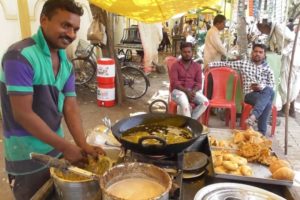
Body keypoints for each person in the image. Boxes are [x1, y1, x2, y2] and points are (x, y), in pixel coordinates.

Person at [0, 0, 105, 199]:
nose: (72, 34)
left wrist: (82, 144)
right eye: (65, 25)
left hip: (55, 149)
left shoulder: (65, 63)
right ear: (44, 20)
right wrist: (66, 147)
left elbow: (70, 106)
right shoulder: (19, 56)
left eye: (75, 29)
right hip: (27, 157)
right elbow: (23, 114)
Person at [208, 43, 275, 135]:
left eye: (260, 52)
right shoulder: (244, 63)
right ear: (252, 53)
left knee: (268, 91)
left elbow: (272, 86)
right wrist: (210, 64)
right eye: (255, 51)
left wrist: (261, 87)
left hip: (263, 94)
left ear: (264, 55)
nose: (257, 54)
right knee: (267, 101)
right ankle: (261, 132)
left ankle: (254, 117)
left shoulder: (268, 69)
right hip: (250, 95)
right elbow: (226, 64)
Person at [257, 20, 300, 118]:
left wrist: (284, 52)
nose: (262, 33)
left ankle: (285, 109)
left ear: (265, 26)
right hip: (288, 59)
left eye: (262, 30)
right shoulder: (274, 30)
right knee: (286, 84)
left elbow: (295, 40)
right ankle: (287, 108)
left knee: (286, 84)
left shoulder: (279, 27)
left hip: (291, 59)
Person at [170, 42, 209, 120]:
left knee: (205, 102)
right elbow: (175, 83)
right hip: (178, 92)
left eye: (189, 52)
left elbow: (198, 84)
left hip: (192, 92)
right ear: (181, 52)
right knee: (185, 104)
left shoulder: (197, 66)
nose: (187, 54)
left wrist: (193, 92)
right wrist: (186, 92)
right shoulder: (175, 65)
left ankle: (190, 122)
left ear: (192, 53)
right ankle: (190, 126)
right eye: (184, 52)